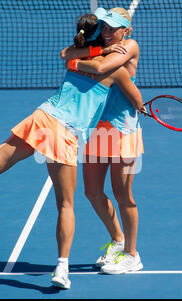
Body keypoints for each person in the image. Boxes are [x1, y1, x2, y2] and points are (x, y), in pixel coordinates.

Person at [0, 13, 144, 289]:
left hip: (41, 117)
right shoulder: (114, 69)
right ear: (100, 36)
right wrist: (141, 105)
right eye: (105, 28)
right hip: (65, 131)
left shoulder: (75, 59)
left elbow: (71, 54)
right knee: (65, 204)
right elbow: (129, 91)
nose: (109, 32)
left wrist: (83, 57)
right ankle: (62, 269)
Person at [60, 7, 144, 274]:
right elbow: (66, 54)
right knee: (92, 192)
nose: (107, 33)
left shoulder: (130, 45)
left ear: (126, 30)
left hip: (123, 131)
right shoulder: (103, 46)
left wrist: (80, 62)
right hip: (98, 128)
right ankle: (118, 240)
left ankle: (132, 255)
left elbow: (103, 68)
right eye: (104, 28)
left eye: (113, 29)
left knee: (123, 195)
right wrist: (96, 51)